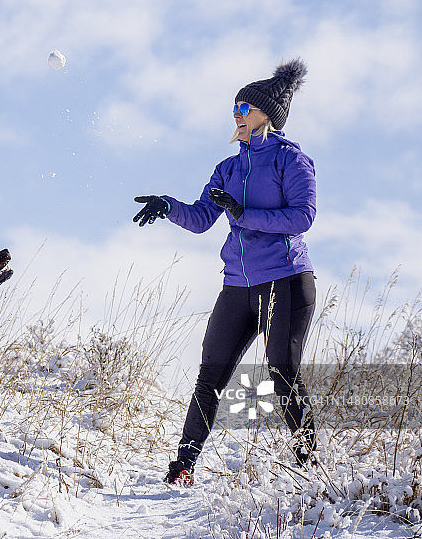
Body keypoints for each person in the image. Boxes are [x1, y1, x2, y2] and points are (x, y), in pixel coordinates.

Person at [133, 58, 317, 486]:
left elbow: (303, 216)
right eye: (234, 107)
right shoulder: (228, 168)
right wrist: (168, 206)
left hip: (285, 279)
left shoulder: (291, 160)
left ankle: (310, 465)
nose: (236, 113)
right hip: (238, 285)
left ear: (267, 114)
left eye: (244, 107)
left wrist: (244, 213)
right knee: (210, 374)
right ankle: (182, 467)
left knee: (281, 372)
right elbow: (202, 218)